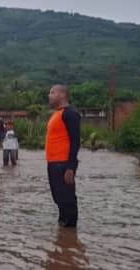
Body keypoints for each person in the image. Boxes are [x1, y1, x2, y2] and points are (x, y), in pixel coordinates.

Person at [46, 84, 81, 228]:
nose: (49, 95)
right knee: (59, 198)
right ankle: (63, 236)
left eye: (52, 92)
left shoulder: (70, 113)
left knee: (66, 199)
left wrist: (70, 167)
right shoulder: (57, 114)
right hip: (53, 163)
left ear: (62, 95)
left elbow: (75, 141)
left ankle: (70, 234)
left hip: (63, 164)